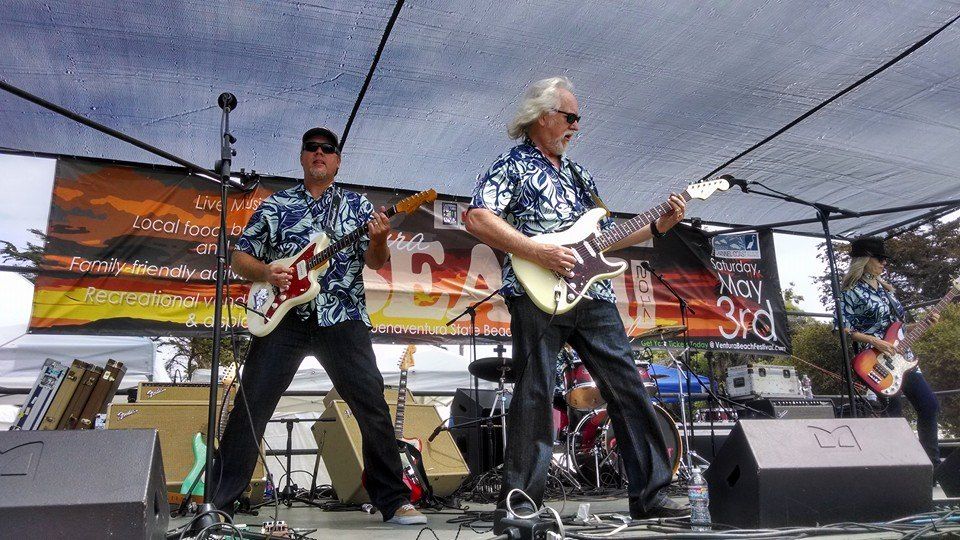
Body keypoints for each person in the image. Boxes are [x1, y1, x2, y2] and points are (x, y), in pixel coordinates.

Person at [464, 76, 688, 519]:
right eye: (570, 117)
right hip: (537, 293)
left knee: (628, 386)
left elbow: (607, 236)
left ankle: (651, 496)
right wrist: (537, 251)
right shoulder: (511, 164)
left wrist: (659, 225)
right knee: (534, 393)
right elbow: (477, 218)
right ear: (541, 116)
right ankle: (520, 504)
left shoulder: (579, 175)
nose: (576, 126)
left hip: (594, 293)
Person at [210, 127, 426, 525]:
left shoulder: (357, 206)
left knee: (373, 407)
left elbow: (375, 262)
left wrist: (379, 240)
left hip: (342, 317)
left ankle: (394, 500)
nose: (319, 153)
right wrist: (267, 272)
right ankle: (219, 504)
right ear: (302, 156)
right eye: (312, 147)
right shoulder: (277, 205)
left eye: (328, 148)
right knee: (251, 405)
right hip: (284, 320)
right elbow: (240, 257)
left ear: (338, 161)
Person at [840, 236, 941, 464]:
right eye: (880, 258)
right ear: (864, 259)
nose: (884, 262)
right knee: (893, 413)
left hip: (903, 356)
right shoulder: (850, 291)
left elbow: (898, 327)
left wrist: (923, 323)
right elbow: (842, 328)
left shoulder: (888, 290)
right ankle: (898, 465)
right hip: (874, 359)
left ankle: (932, 466)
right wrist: (874, 341)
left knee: (929, 405)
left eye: (885, 259)